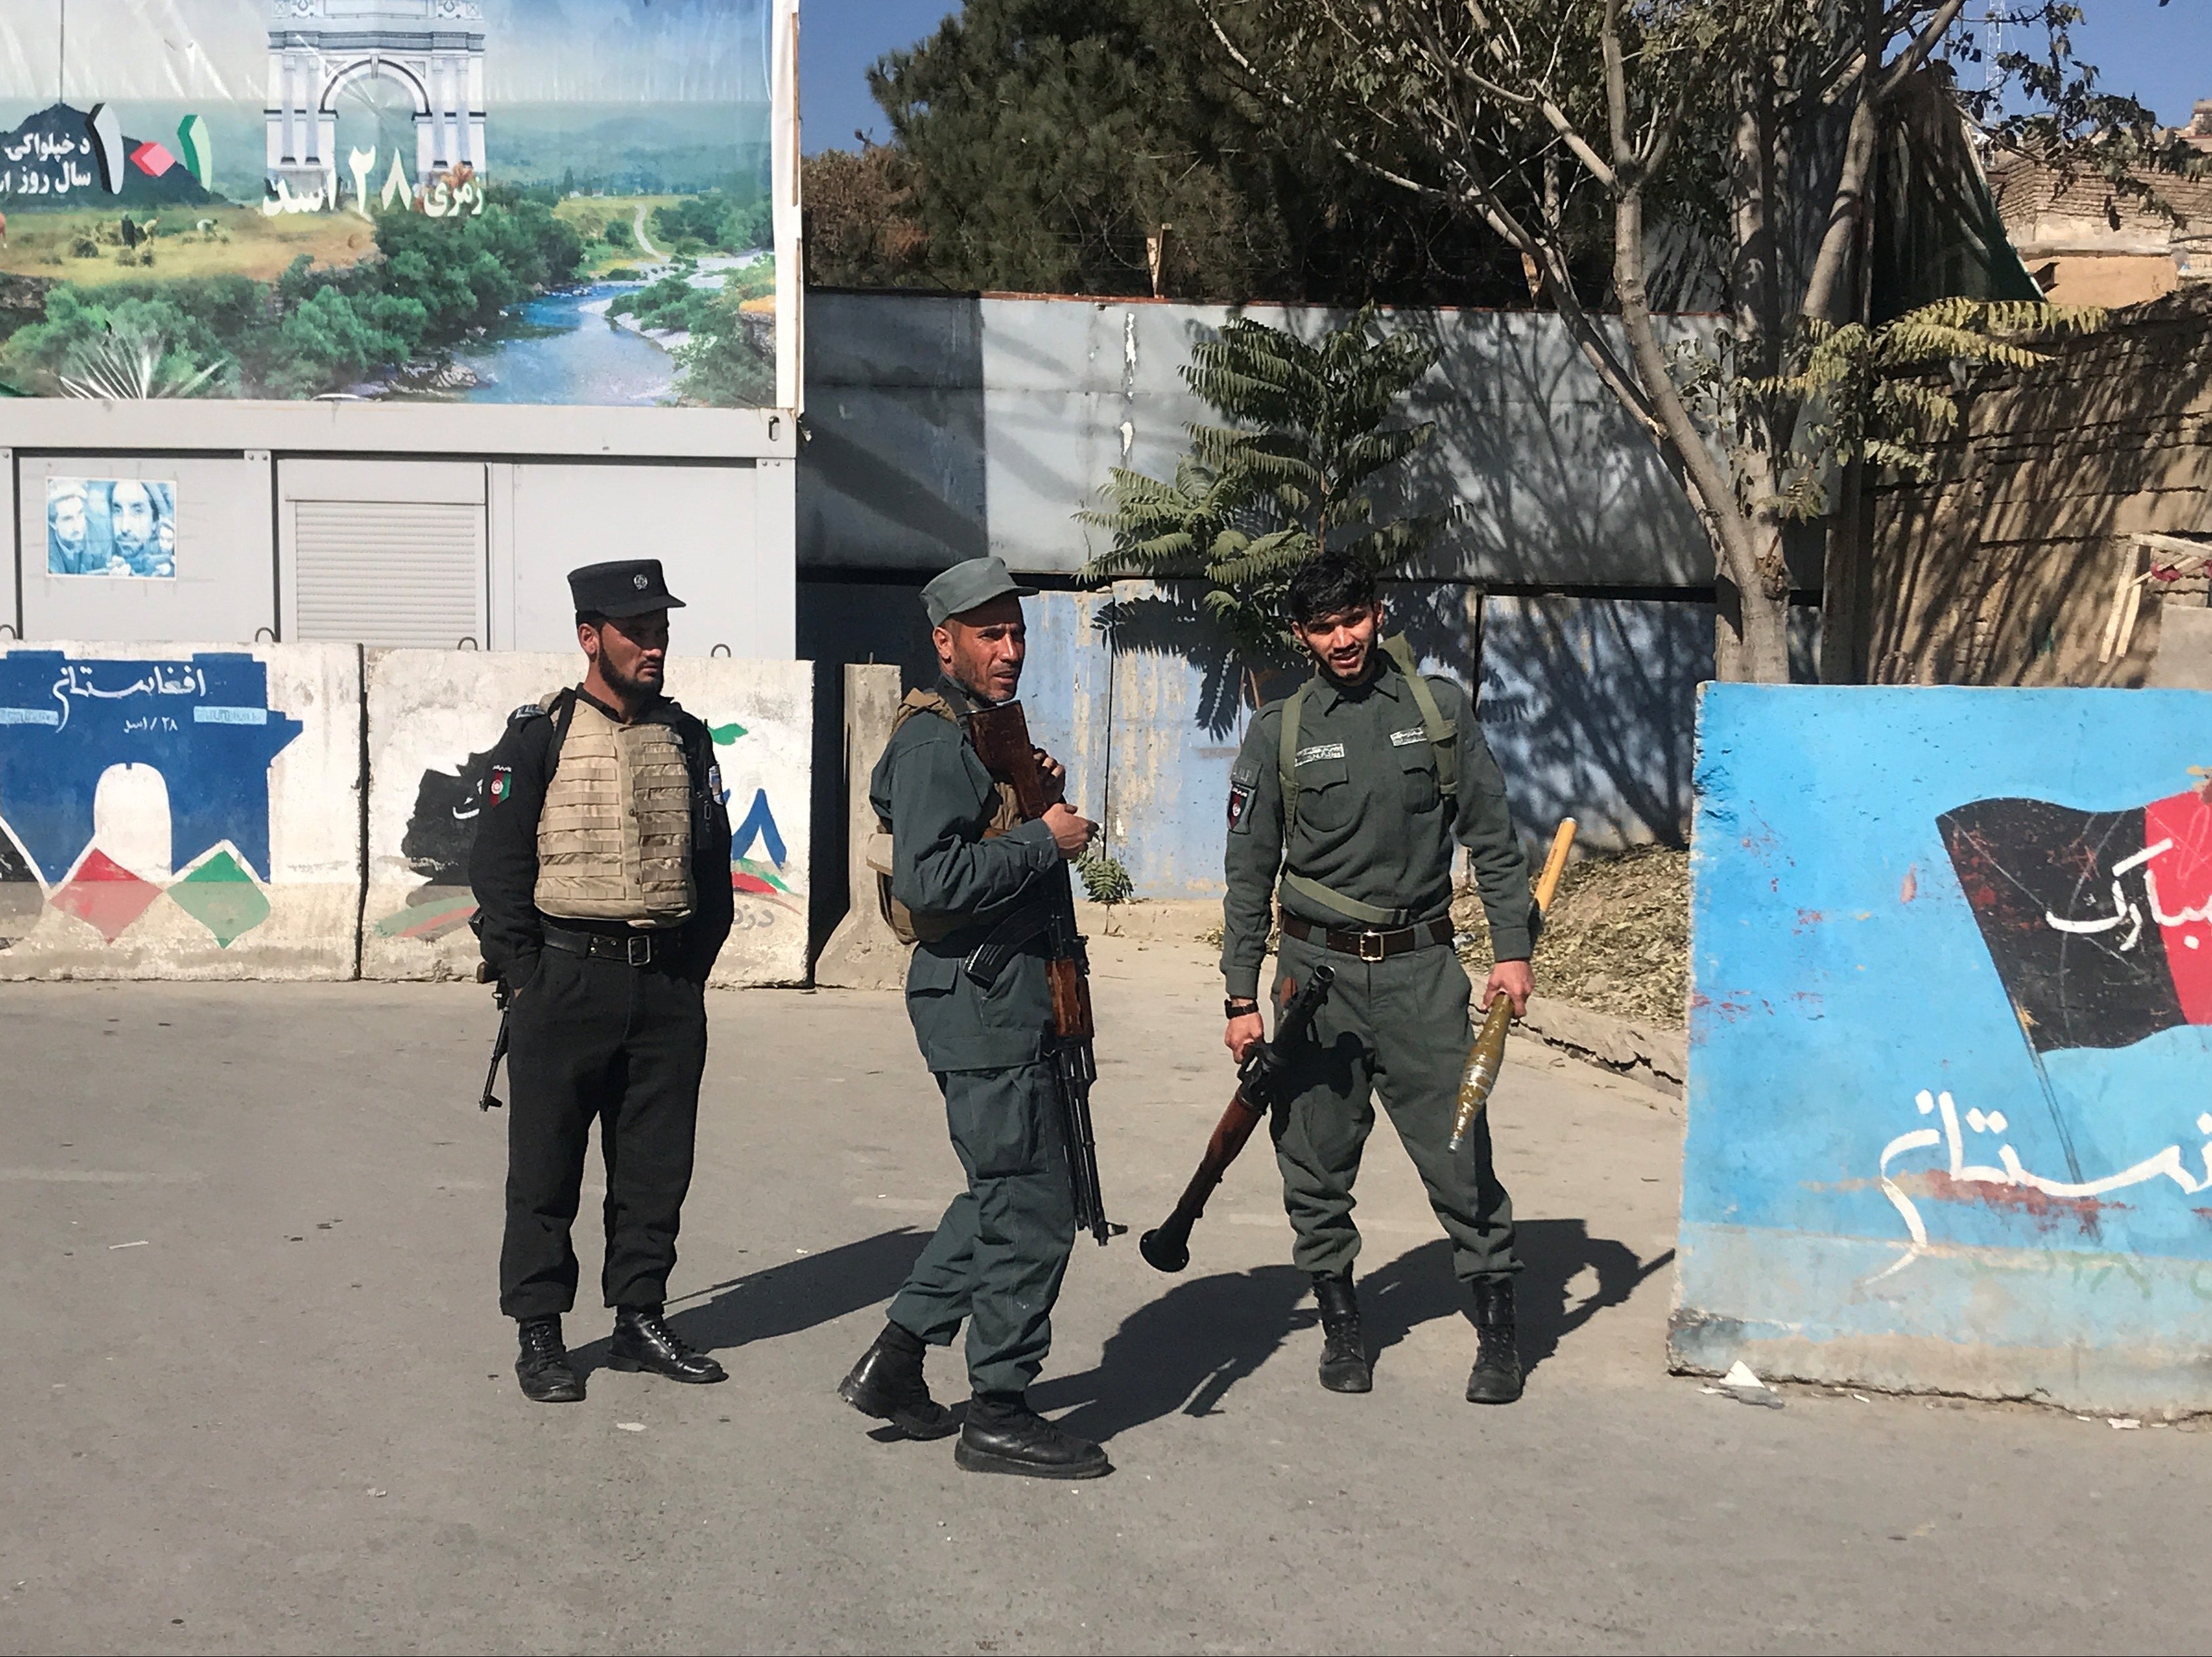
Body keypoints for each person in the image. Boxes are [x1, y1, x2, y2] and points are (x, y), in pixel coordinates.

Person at [1220, 555, 1539, 1405]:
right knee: (1313, 1162)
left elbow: (1496, 843)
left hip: (1422, 973)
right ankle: (1343, 1324)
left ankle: (1501, 1331)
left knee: (1461, 1153)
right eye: (1323, 628)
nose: (1342, 639)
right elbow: (1248, 874)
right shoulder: (1278, 731)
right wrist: (1240, 997)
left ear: (1377, 611)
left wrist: (1513, 950)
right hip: (1313, 982)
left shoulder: (1438, 712)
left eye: (1352, 619)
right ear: (1302, 635)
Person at [836, 555, 1111, 1478]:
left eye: (1017, 630)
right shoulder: (932, 741)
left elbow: (976, 838)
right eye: (989, 633)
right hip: (981, 1004)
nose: (1009, 648)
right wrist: (1045, 837)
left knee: (1004, 1189)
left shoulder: (980, 734)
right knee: (1033, 1210)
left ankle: (899, 1359)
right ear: (943, 641)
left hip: (1011, 997)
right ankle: (999, 1406)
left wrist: (1025, 803)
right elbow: (931, 879)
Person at [468, 559, 735, 1404]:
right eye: (637, 630)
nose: (655, 644)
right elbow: (499, 866)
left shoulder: (688, 738)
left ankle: (639, 1317)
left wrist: (685, 980)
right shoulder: (539, 735)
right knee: (545, 1170)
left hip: (662, 990)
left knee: (655, 1170)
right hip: (564, 981)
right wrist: (526, 979)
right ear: (591, 637)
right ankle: (540, 1332)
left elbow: (713, 869)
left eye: (662, 628)